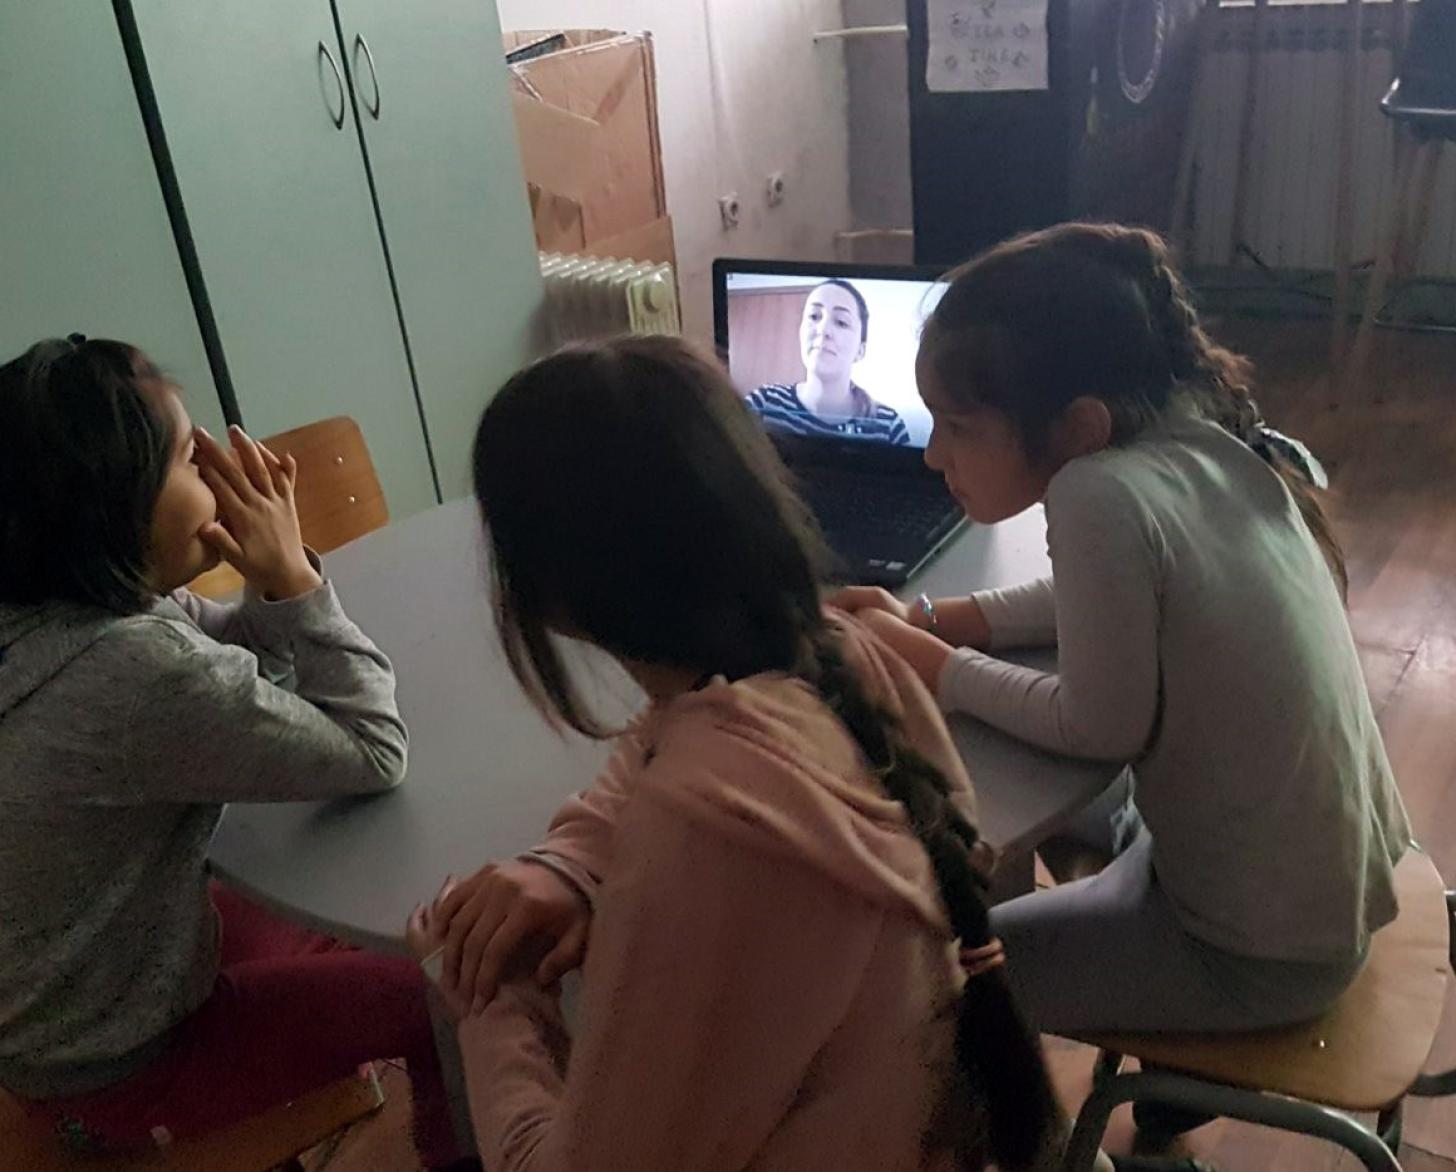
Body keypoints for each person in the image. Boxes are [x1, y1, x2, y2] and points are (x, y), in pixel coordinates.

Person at [408, 335, 1063, 1171]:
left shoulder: (701, 832)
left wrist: (493, 1002)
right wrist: (569, 863)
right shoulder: (837, 654)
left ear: (545, 592)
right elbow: (658, 737)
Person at [831, 223, 1412, 1043]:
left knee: (936, 987)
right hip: (1321, 891)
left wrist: (938, 666)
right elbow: (1101, 596)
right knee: (1028, 804)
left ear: (1078, 427)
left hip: (1251, 953)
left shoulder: (1096, 495)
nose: (933, 456)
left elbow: (1096, 727)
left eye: (958, 427)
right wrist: (935, 618)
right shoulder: (1194, 434)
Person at [0, 336, 472, 1170]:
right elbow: (373, 750)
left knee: (362, 911)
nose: (221, 477)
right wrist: (296, 578)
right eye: (192, 459)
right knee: (446, 997)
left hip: (65, 1011)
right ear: (113, 505)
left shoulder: (62, 609)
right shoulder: (133, 672)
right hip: (125, 1065)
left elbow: (248, 666)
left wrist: (274, 578)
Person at [749, 278, 910, 444]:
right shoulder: (764, 403)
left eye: (841, 322)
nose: (823, 329)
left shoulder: (889, 426)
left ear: (860, 351)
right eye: (814, 316)